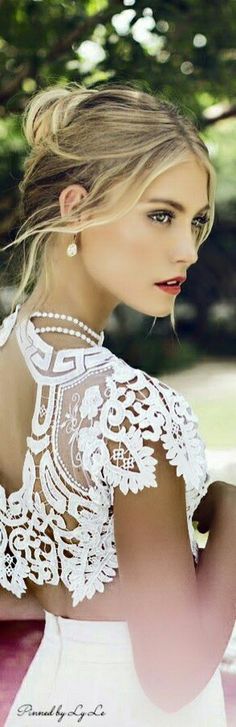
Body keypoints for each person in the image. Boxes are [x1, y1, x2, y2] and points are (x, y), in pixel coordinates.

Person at [0, 82, 235, 727]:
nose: (187, 249)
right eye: (161, 215)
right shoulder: (130, 407)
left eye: (196, 221)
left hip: (48, 700)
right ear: (75, 207)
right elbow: (173, 673)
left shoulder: (4, 354)